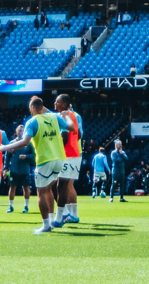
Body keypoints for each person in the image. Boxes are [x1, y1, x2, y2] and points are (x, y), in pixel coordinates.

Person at [0, 96, 74, 235]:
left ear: (32, 108)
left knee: (41, 192)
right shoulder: (54, 117)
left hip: (45, 159)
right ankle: (52, 219)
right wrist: (67, 116)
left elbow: (24, 142)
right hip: (60, 159)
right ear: (42, 106)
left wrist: (5, 147)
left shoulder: (32, 122)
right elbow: (71, 127)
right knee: (49, 188)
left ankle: (46, 225)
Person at [53, 94, 82, 226]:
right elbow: (80, 134)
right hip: (75, 152)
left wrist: (56, 149)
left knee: (59, 185)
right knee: (67, 185)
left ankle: (61, 216)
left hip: (67, 154)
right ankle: (72, 214)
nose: (55, 103)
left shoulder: (63, 116)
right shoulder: (75, 115)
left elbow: (64, 135)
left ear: (64, 104)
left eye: (57, 102)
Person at [6, 124, 35, 214]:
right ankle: (11, 206)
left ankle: (26, 206)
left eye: (22, 131)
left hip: (25, 169)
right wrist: (5, 168)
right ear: (16, 132)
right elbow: (7, 157)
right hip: (14, 169)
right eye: (19, 130)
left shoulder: (29, 144)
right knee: (12, 187)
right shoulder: (12, 143)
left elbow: (34, 156)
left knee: (26, 187)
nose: (20, 132)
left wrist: (26, 156)